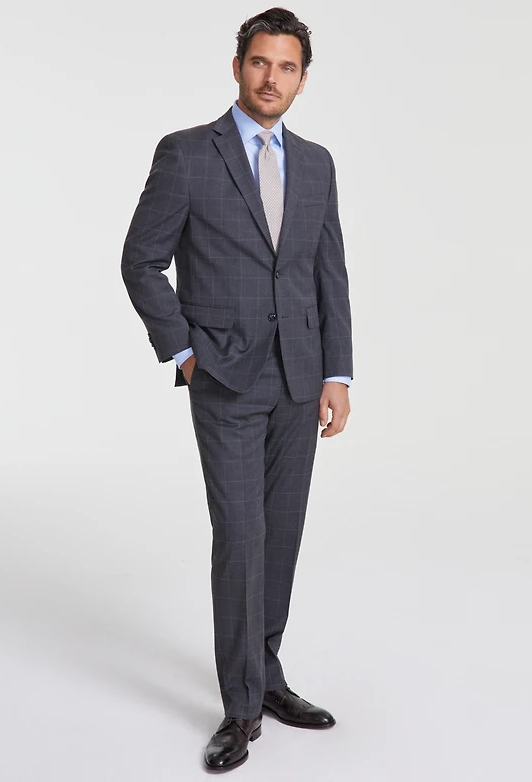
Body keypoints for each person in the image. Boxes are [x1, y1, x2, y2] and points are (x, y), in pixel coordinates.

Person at [121, 7, 353, 772]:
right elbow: (141, 260)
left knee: (281, 536)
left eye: (286, 67)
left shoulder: (316, 164)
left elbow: (328, 274)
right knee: (242, 538)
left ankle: (269, 674)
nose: (271, 78)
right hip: (223, 379)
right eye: (259, 62)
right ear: (237, 67)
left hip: (299, 380)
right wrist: (185, 353)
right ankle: (241, 707)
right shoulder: (189, 154)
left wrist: (337, 373)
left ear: (303, 80)